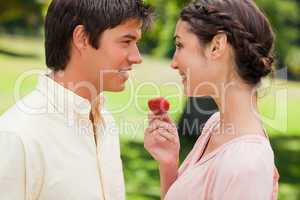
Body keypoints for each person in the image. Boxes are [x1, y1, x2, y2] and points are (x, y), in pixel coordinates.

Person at [0, 0, 153, 199]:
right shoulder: (17, 136)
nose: (136, 57)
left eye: (137, 43)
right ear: (82, 38)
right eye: (126, 41)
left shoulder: (105, 121)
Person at [144, 0, 279, 199]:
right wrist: (169, 163)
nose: (174, 62)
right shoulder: (216, 125)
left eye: (180, 45)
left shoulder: (246, 165)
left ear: (216, 46)